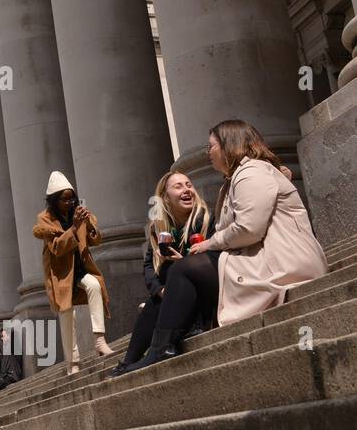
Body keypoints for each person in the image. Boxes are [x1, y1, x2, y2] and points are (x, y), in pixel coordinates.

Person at [119, 120, 327, 373]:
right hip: (258, 259)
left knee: (185, 270)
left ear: (229, 145)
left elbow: (249, 228)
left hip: (283, 262)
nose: (208, 152)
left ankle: (161, 349)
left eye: (211, 146)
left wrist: (208, 244)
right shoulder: (239, 177)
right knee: (175, 280)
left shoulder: (252, 173)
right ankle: (150, 352)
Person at [110, 172, 214, 376]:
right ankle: (130, 360)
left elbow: (213, 261)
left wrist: (183, 264)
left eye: (188, 185)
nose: (186, 190)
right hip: (176, 297)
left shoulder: (206, 220)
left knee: (177, 271)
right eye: (178, 187)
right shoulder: (160, 230)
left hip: (205, 296)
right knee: (155, 302)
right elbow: (148, 266)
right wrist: (160, 290)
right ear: (165, 198)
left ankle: (158, 350)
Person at [34, 171, 111, 374]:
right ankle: (72, 363)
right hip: (60, 275)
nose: (69, 202)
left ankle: (99, 340)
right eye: (64, 199)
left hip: (80, 268)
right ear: (54, 201)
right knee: (67, 315)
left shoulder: (79, 211)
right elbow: (57, 248)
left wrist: (88, 224)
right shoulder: (45, 220)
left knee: (94, 285)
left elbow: (96, 240)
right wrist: (74, 228)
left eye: (71, 198)